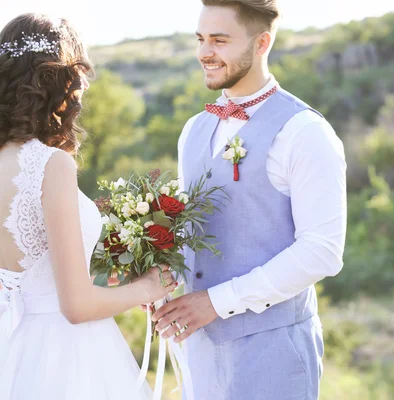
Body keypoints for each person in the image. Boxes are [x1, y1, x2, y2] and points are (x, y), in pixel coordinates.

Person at [151, 1, 348, 398]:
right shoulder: (193, 129)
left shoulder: (305, 132)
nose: (205, 52)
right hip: (200, 355)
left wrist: (215, 302)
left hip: (273, 355)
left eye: (220, 40)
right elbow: (197, 230)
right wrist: (159, 283)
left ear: (262, 43)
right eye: (201, 39)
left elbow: (322, 251)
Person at [0, 13, 176, 399]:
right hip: (67, 357)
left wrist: (32, 301)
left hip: (4, 348)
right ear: (56, 83)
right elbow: (77, 306)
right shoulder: (52, 165)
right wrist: (146, 288)